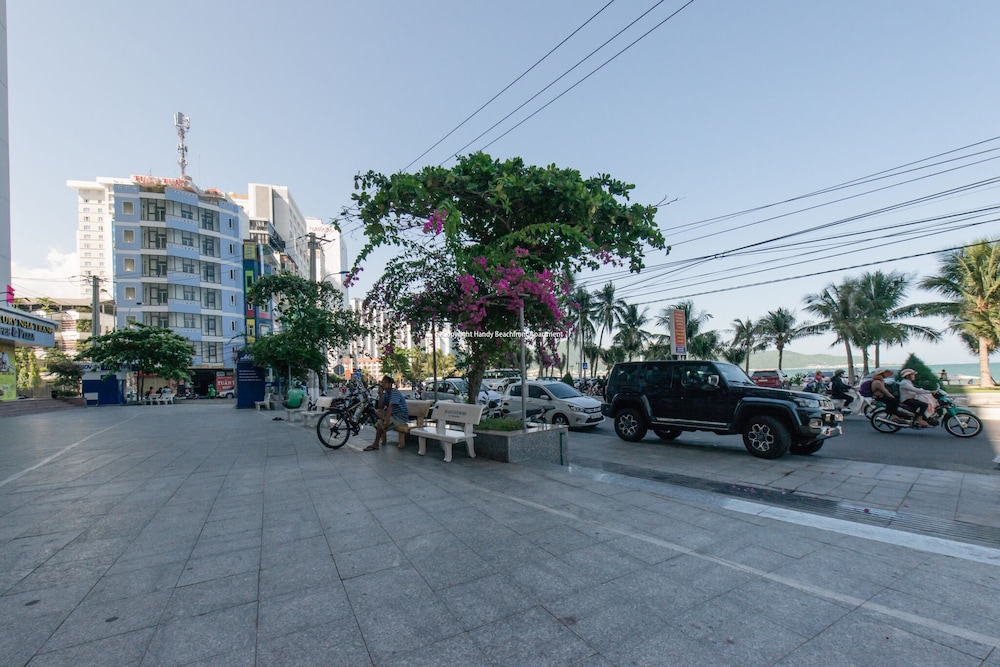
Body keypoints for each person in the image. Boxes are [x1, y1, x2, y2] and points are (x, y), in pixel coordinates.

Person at [366, 375, 408, 451]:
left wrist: (387, 420)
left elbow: (390, 407)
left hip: (400, 417)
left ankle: (376, 444)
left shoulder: (395, 392)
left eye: (385, 382)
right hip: (392, 416)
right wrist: (380, 394)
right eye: (382, 382)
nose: (383, 384)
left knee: (380, 423)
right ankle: (376, 444)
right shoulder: (386, 394)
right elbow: (380, 407)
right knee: (377, 412)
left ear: (390, 384)